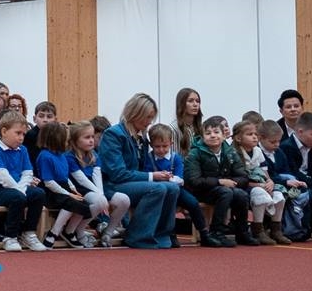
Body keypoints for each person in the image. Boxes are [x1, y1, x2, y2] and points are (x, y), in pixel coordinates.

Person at [97, 94, 179, 249]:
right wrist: (152, 176)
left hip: (131, 184)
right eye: (147, 117)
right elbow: (117, 174)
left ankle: (161, 235)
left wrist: (160, 176)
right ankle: (137, 237)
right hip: (113, 185)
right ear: (136, 113)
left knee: (173, 188)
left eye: (152, 118)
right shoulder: (113, 134)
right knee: (158, 187)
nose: (150, 122)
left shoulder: (141, 137)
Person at [0, 111, 48, 253]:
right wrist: (20, 191)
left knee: (38, 194)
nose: (21, 138)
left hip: (18, 188)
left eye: (23, 134)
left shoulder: (22, 150)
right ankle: (10, 236)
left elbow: (27, 173)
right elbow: (2, 176)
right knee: (17, 197)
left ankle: (28, 233)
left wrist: (21, 190)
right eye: (18, 133)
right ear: (4, 131)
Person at [183, 115, 250, 247]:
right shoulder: (195, 153)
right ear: (202, 137)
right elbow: (194, 181)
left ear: (224, 136)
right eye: (208, 133)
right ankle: (216, 232)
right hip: (201, 191)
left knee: (241, 194)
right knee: (226, 192)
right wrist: (220, 182)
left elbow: (243, 177)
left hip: (222, 188)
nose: (212, 136)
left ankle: (242, 232)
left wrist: (229, 182)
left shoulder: (230, 152)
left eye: (216, 132)